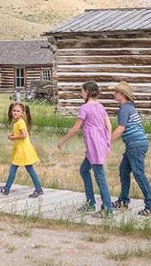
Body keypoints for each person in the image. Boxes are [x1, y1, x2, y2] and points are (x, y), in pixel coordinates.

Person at [57, 80, 113, 217]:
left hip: (94, 144)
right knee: (84, 170)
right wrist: (107, 142)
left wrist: (62, 141)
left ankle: (108, 209)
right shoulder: (100, 106)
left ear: (87, 92)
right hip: (99, 142)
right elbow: (109, 125)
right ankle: (90, 203)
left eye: (82, 91)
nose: (80, 94)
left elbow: (76, 128)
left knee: (99, 176)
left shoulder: (85, 108)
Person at [110, 81, 151, 216]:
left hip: (135, 145)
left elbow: (120, 129)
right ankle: (123, 200)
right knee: (124, 170)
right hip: (135, 144)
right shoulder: (130, 107)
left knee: (138, 174)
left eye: (116, 92)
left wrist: (106, 142)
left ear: (122, 95)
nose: (114, 94)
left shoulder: (124, 109)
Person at [0, 102, 44, 198]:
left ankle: (6, 189)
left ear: (22, 113)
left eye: (18, 111)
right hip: (21, 149)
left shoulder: (20, 122)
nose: (15, 112)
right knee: (29, 169)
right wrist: (13, 135)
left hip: (22, 150)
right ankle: (38, 189)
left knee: (14, 169)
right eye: (14, 110)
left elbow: (24, 135)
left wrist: (13, 137)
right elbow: (20, 134)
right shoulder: (17, 122)